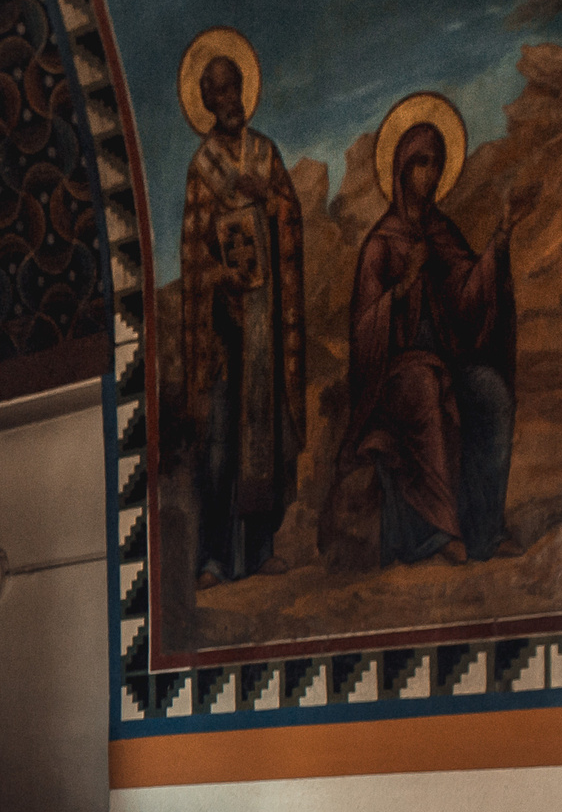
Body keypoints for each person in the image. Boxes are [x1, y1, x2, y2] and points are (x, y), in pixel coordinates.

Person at [339, 121, 521, 566]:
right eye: (420, 163)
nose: (430, 174)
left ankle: (485, 530)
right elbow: (363, 331)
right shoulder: (380, 244)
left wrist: (499, 239)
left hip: (448, 361)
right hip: (395, 371)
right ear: (401, 170)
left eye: (436, 164)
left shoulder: (441, 232)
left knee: (491, 393)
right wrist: (403, 287)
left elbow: (468, 294)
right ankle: (437, 534)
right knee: (424, 386)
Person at [177, 54, 304, 587]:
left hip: (265, 318)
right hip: (224, 326)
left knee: (263, 434)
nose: (231, 100)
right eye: (220, 92)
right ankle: (213, 557)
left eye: (235, 89)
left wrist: (269, 200)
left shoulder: (265, 154)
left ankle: (258, 549)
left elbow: (290, 217)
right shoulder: (202, 167)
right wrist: (220, 276)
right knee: (220, 444)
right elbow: (192, 255)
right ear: (207, 101)